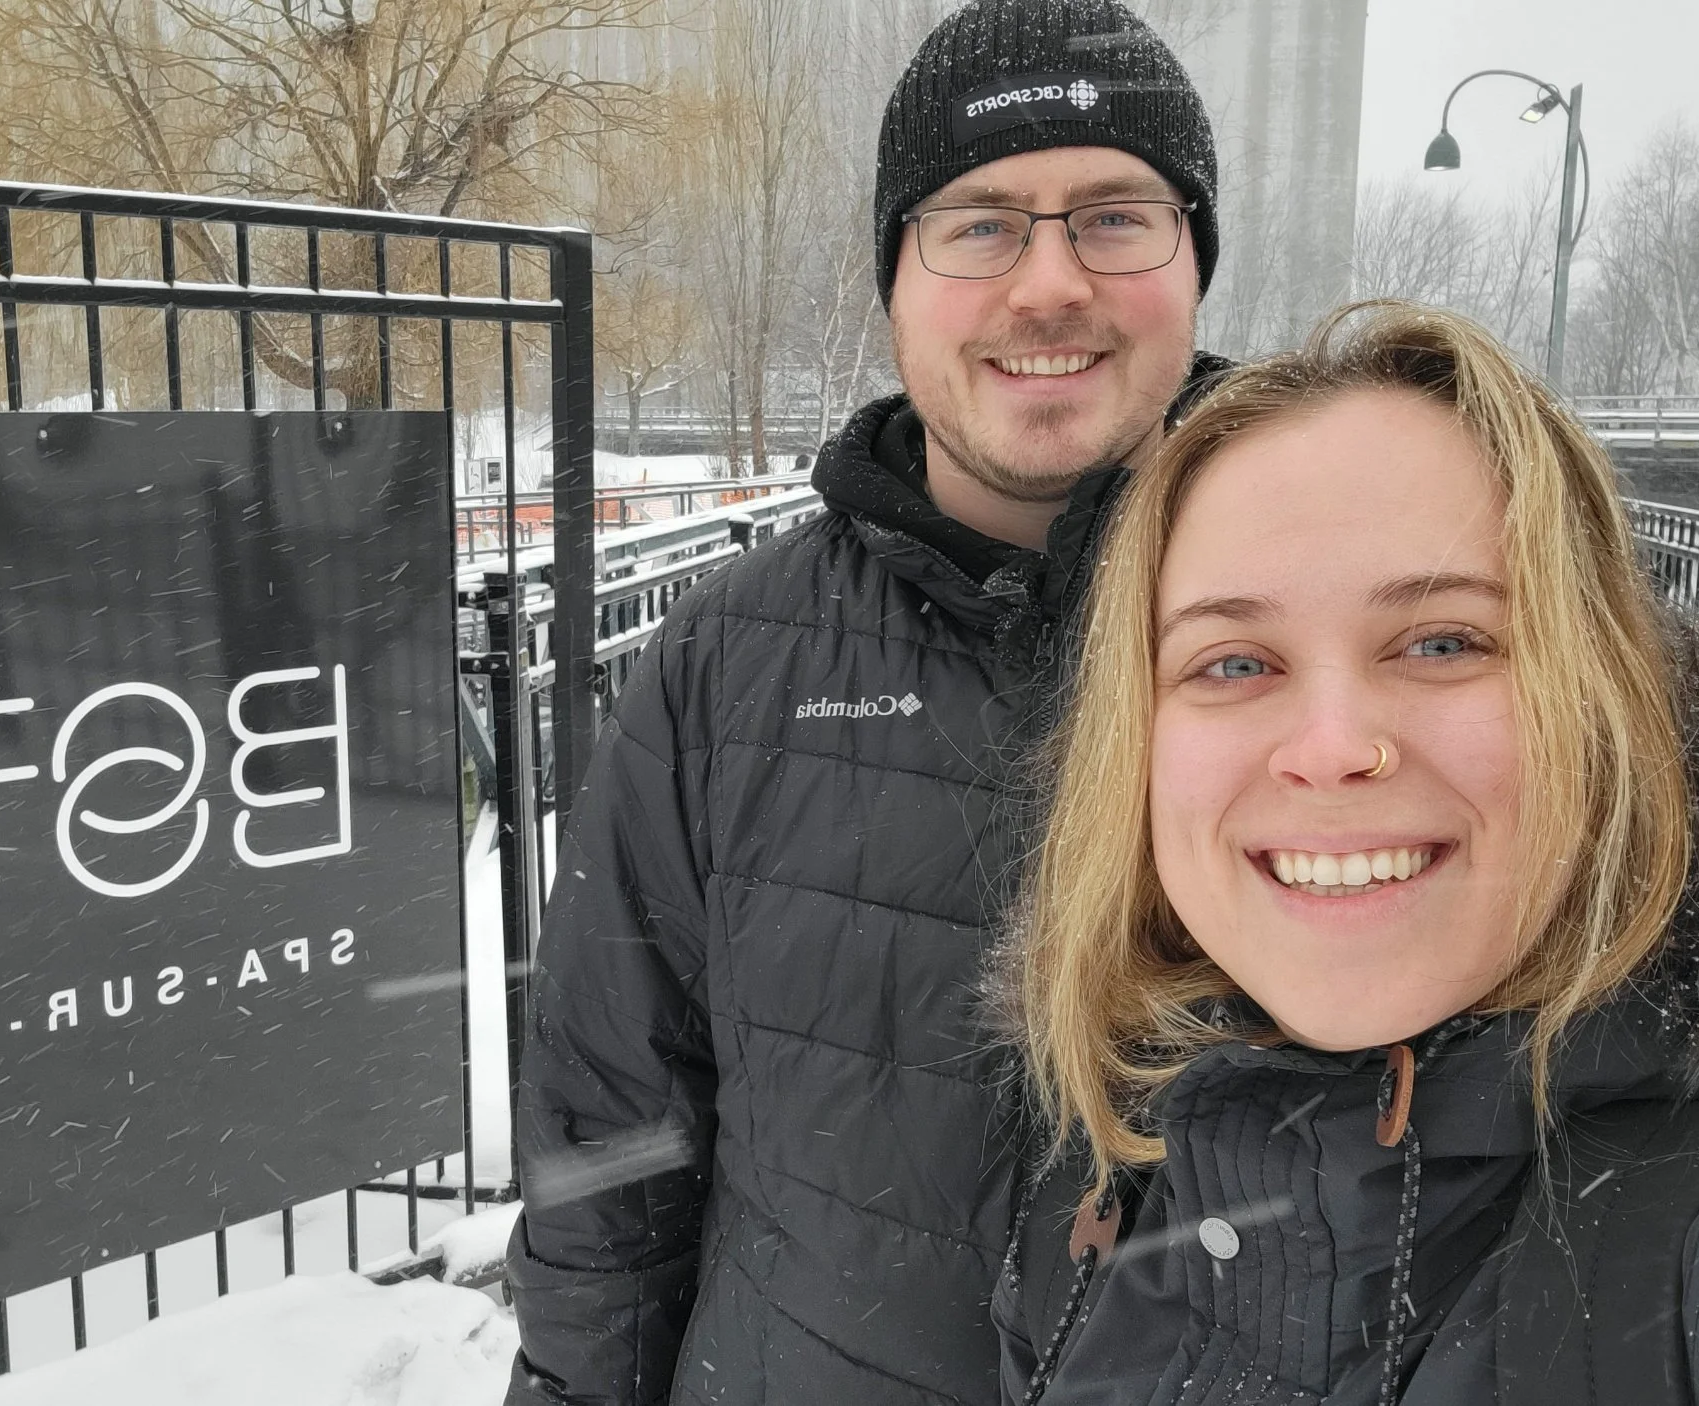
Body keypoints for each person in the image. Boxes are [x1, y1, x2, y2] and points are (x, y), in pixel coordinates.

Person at [997, 300, 1699, 1405]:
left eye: (1444, 641)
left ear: (1601, 705)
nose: (1334, 747)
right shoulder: (1126, 1146)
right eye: (1232, 662)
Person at [504, 2, 1229, 1403]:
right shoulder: (725, 660)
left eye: (1116, 216)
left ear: (1195, 260)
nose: (1048, 285)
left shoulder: (1350, 642)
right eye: (979, 223)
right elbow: (612, 1129)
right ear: (894, 279)